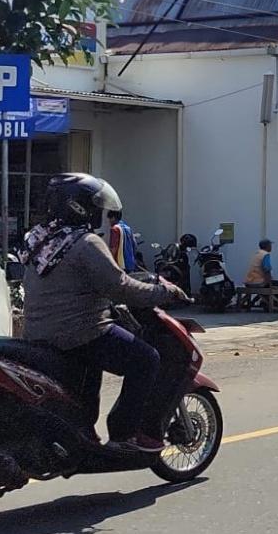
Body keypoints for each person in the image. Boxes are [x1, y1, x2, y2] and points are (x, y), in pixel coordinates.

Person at [22, 173, 190, 453]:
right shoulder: (86, 243)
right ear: (80, 207)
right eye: (96, 206)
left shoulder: (38, 238)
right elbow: (121, 287)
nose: (101, 214)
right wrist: (166, 292)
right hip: (78, 334)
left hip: (38, 333)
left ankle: (83, 437)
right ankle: (125, 434)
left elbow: (75, 283)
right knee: (146, 359)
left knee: (90, 380)